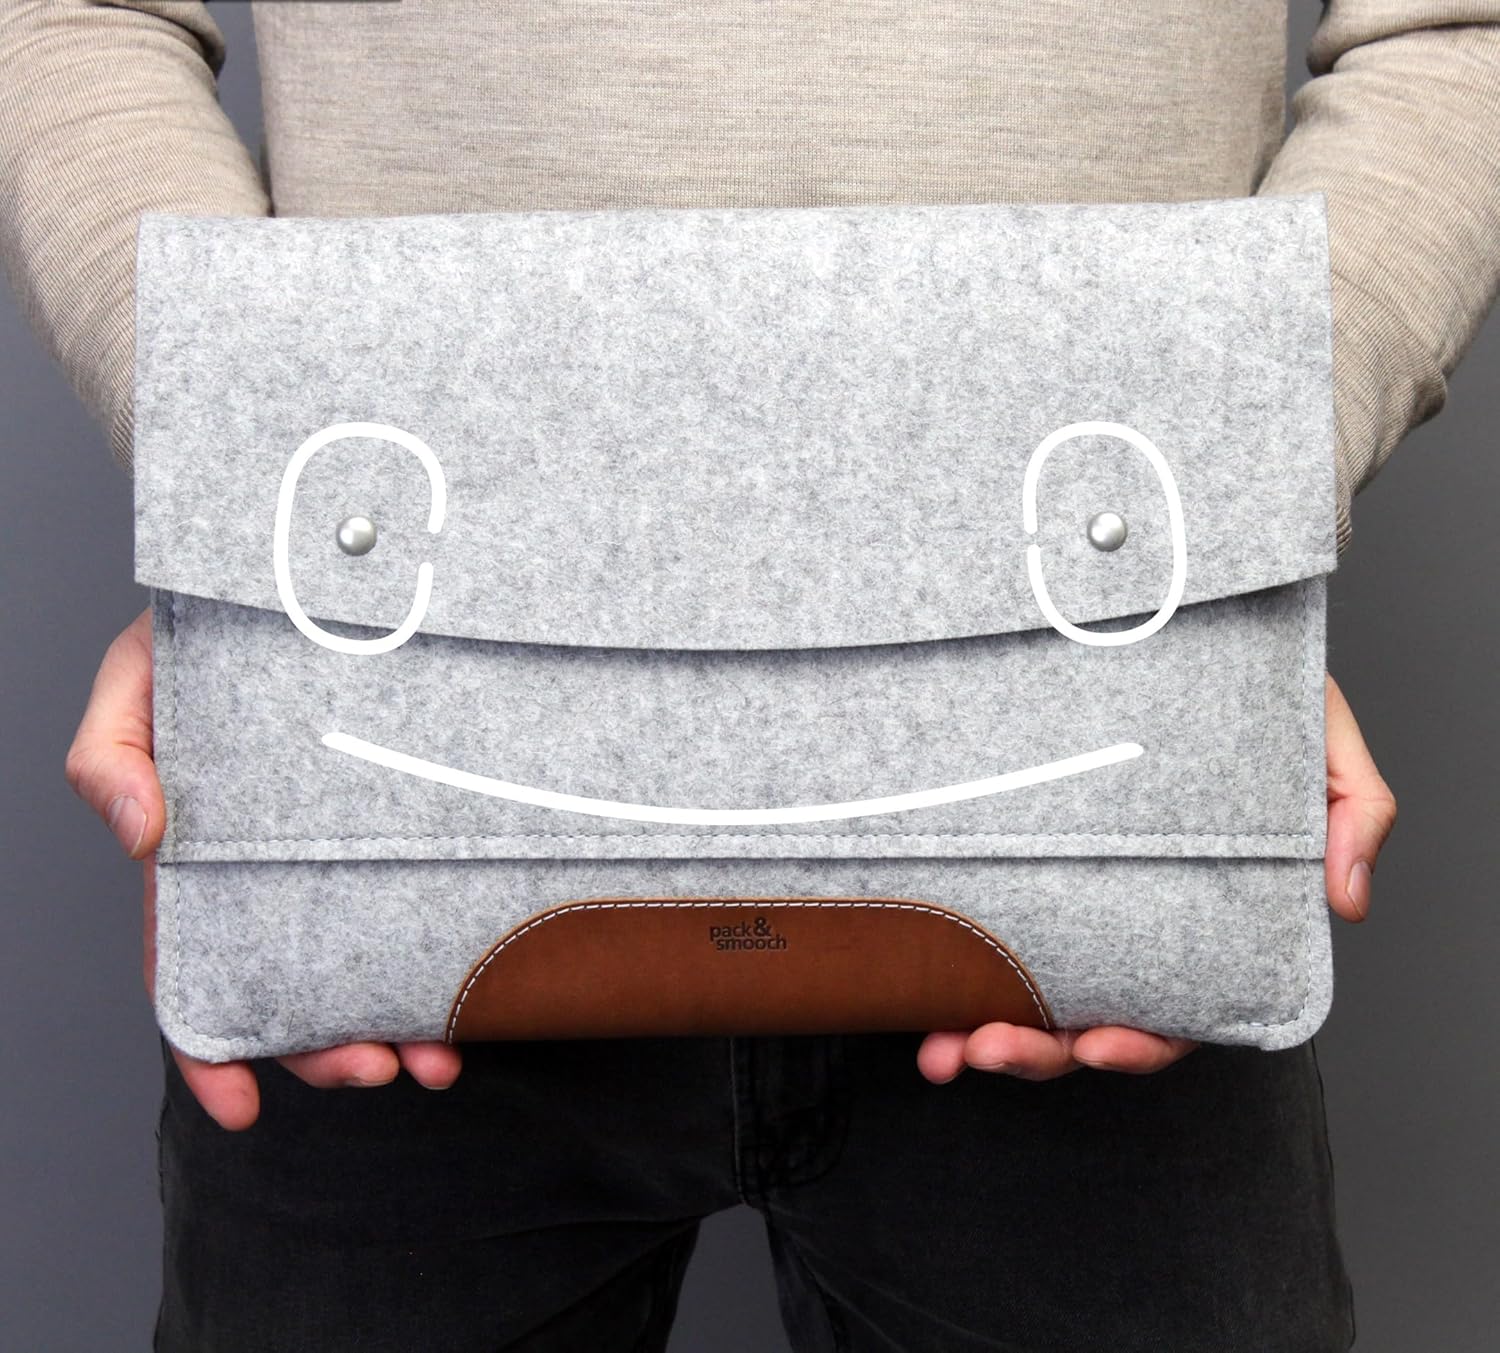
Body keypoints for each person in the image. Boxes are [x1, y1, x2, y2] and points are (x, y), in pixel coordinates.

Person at [5, 3, 1494, 1348]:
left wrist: (1232, 512)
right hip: (373, 790)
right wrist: (245, 510)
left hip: (1108, 764)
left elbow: (1450, 32)